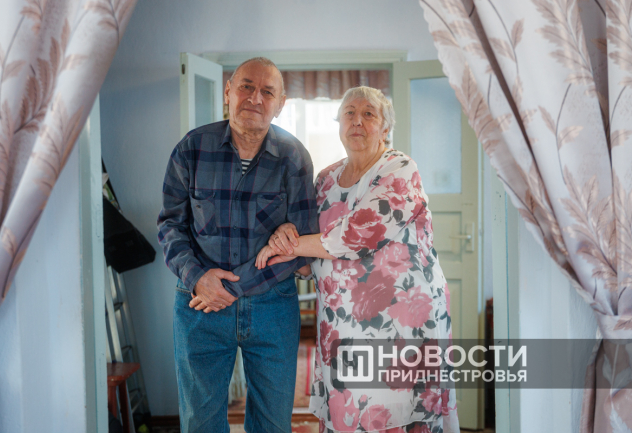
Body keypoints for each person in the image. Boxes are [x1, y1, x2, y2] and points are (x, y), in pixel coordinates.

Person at [256, 86, 460, 433]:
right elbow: (310, 239)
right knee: (350, 412)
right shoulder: (325, 179)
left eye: (369, 114)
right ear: (338, 124)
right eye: (349, 113)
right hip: (342, 324)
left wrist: (289, 247)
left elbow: (358, 234)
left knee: (397, 411)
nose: (357, 121)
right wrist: (288, 237)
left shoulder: (400, 167)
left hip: (400, 321)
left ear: (385, 127)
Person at [157, 57, 318, 433]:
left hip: (272, 306)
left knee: (272, 423)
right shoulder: (192, 148)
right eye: (246, 86)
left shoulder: (293, 156)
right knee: (200, 423)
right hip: (199, 305)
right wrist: (198, 278)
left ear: (280, 103)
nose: (255, 98)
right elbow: (170, 226)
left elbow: (301, 243)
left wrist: (230, 287)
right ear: (228, 91)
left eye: (267, 92)